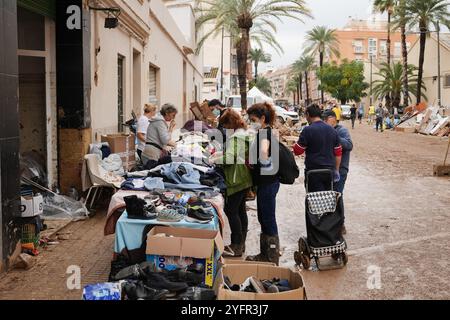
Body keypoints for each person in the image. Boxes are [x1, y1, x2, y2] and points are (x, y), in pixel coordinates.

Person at [245, 103, 281, 265]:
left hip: (267, 182)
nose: (251, 122)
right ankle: (266, 254)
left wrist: (253, 163)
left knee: (267, 218)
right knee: (264, 217)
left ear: (262, 118)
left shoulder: (264, 135)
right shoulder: (264, 133)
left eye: (253, 119)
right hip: (268, 182)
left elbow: (264, 157)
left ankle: (271, 257)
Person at [214, 109, 253, 257]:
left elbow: (230, 159)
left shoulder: (236, 138)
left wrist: (216, 159)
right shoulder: (245, 134)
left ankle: (236, 244)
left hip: (236, 178)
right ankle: (241, 244)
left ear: (232, 122)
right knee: (240, 210)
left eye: (226, 125)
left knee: (231, 210)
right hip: (244, 177)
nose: (225, 128)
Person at [293, 104, 342, 192]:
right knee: (326, 199)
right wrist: (336, 170)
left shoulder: (307, 130)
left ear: (308, 114)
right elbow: (338, 153)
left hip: (313, 172)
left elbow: (297, 151)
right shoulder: (332, 130)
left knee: (313, 200)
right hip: (329, 172)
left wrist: (295, 144)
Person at [323, 110, 353, 234]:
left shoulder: (341, 131)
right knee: (328, 197)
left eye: (326, 121)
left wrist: (335, 137)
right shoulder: (325, 131)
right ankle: (330, 223)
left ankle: (341, 224)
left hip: (340, 170)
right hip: (327, 169)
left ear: (333, 120)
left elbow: (349, 145)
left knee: (337, 196)